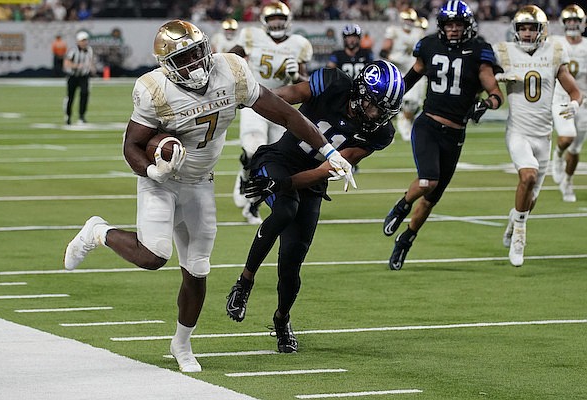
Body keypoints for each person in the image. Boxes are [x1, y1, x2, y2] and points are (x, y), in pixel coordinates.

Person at [63, 20, 354, 373]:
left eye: (198, 52)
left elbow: (285, 113)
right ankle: (98, 231)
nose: (196, 63)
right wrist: (153, 170)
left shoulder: (231, 70)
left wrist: (328, 151)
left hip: (201, 180)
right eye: (184, 58)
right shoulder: (153, 89)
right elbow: (132, 146)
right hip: (162, 180)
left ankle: (181, 344)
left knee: (197, 270)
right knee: (155, 256)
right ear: (167, 64)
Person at [226, 60, 404, 353]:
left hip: (311, 181)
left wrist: (284, 185)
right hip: (280, 158)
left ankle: (282, 319)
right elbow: (285, 96)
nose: (377, 115)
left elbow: (328, 169)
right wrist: (253, 100)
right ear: (360, 91)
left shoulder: (380, 133)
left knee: (291, 264)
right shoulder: (334, 83)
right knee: (284, 210)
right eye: (374, 106)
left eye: (385, 111)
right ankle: (244, 283)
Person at [382, 0, 504, 270]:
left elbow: (495, 92)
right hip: (428, 125)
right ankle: (401, 206)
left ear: (466, 26)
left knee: (430, 201)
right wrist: (392, 95)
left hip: (455, 134)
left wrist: (487, 104)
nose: (452, 29)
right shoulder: (428, 45)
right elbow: (412, 76)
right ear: (441, 26)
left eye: (457, 24)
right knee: (427, 181)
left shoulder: (479, 51)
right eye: (448, 24)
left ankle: (406, 240)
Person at [495, 5, 582, 266]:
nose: (526, 33)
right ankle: (520, 235)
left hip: (543, 135)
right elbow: (483, 76)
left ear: (541, 30)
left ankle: (515, 219)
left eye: (531, 28)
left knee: (529, 200)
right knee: (528, 175)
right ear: (515, 30)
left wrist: (574, 104)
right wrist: (497, 78)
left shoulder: (554, 52)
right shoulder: (505, 51)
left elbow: (575, 90)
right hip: (518, 131)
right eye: (522, 28)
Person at [230, 1, 314, 225]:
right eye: (272, 19)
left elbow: (305, 83)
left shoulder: (299, 44)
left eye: (280, 18)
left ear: (288, 21)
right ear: (264, 22)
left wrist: (297, 76)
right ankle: (246, 183)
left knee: (276, 160)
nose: (276, 22)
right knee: (252, 148)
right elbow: (231, 59)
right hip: (255, 100)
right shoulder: (251, 37)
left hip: (281, 106)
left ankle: (255, 201)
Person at [550, 4, 587, 202]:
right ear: (563, 23)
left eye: (575, 20)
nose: (572, 24)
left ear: (583, 23)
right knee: (566, 138)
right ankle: (557, 156)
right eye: (569, 20)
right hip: (562, 98)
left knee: (575, 149)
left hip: (584, 101)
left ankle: (568, 181)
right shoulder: (555, 43)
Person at [380, 8, 427, 142]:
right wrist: (393, 57)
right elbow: (383, 51)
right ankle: (384, 128)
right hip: (398, 71)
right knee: (391, 103)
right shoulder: (394, 31)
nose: (408, 22)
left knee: (413, 103)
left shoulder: (419, 33)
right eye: (406, 19)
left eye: (411, 20)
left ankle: (406, 123)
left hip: (413, 70)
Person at [63, 31, 95, 125]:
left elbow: (90, 61)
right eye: (82, 40)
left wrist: (92, 68)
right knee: (70, 97)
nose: (84, 42)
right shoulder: (73, 51)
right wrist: (77, 66)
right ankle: (68, 116)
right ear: (78, 41)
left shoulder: (89, 50)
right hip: (73, 76)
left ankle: (82, 116)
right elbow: (66, 63)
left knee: (85, 94)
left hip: (84, 76)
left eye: (85, 40)